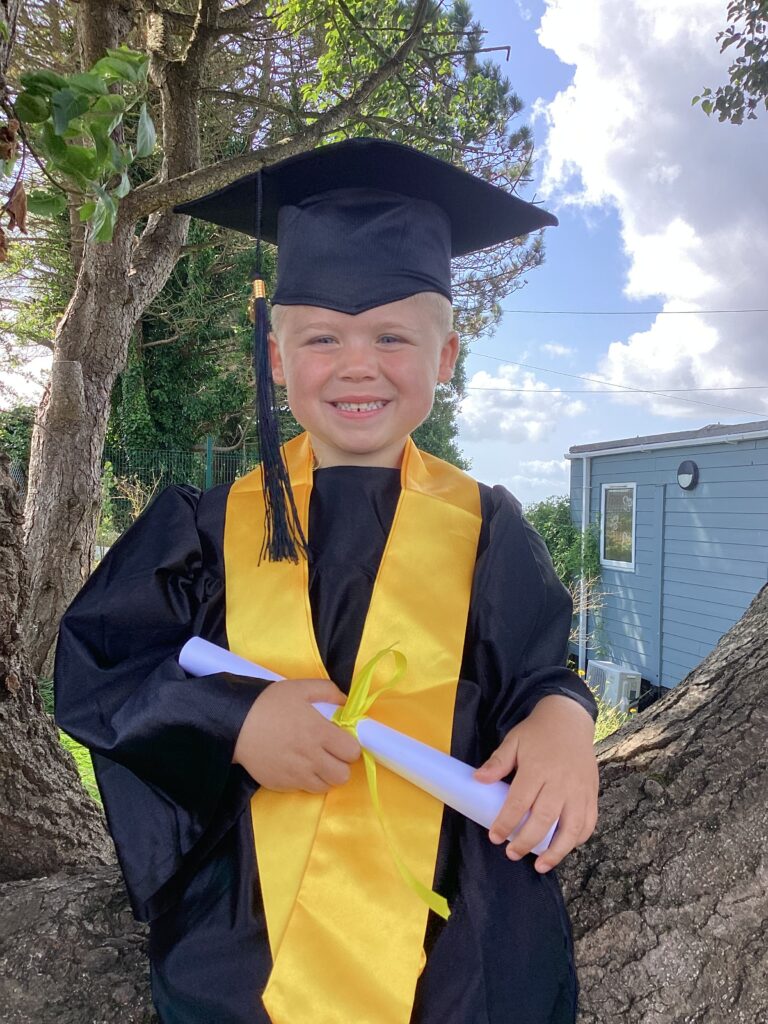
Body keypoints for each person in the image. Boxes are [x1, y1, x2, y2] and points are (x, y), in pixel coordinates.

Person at [54, 138, 599, 1024]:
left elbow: (537, 665)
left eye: (392, 336)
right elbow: (102, 665)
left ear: (446, 356)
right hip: (248, 925)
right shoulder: (203, 526)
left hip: (454, 928)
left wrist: (564, 718)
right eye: (322, 338)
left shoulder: (488, 526)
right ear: (276, 361)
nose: (357, 364)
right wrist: (232, 720)